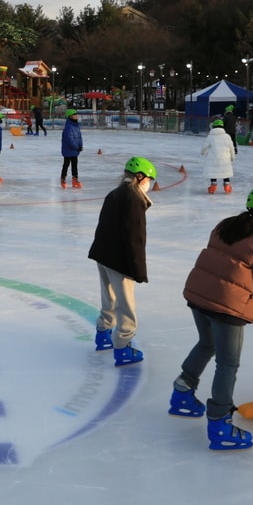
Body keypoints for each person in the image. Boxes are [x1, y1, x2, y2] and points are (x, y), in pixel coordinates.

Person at [169, 186, 253, 451]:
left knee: (206, 343)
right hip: (227, 305)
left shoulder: (226, 225)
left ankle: (182, 394)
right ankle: (220, 424)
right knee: (227, 363)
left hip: (199, 294)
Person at [87, 156, 157, 367]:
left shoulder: (115, 193)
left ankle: (103, 333)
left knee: (109, 298)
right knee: (126, 305)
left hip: (103, 254)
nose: (149, 185)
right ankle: (123, 347)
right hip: (119, 259)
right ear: (140, 177)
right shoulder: (134, 200)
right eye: (149, 180)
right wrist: (138, 270)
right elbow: (136, 239)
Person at [201, 118, 236, 194]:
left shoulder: (211, 136)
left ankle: (213, 186)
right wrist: (233, 156)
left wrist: (202, 152)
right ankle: (227, 185)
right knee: (225, 171)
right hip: (225, 159)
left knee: (214, 171)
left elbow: (204, 147)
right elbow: (231, 147)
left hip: (213, 158)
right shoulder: (227, 136)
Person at [60, 108, 83, 188]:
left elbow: (79, 137)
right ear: (70, 116)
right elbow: (69, 139)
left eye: (76, 114)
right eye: (74, 115)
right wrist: (76, 147)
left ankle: (75, 179)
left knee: (75, 165)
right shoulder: (68, 127)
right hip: (68, 150)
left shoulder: (76, 126)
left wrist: (80, 145)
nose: (76, 116)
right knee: (66, 164)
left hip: (75, 150)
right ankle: (63, 178)